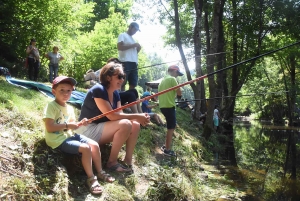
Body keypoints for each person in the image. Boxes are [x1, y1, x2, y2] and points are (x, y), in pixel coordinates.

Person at [43, 76, 115, 195]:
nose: (66, 93)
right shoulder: (51, 106)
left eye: (69, 90)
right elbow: (49, 127)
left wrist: (81, 123)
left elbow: (73, 125)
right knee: (86, 148)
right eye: (62, 90)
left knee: (94, 145)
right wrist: (68, 125)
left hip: (70, 136)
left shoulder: (69, 107)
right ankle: (91, 179)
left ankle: (100, 172)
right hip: (58, 140)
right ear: (54, 91)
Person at [76, 62, 150, 173]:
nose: (122, 79)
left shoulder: (116, 93)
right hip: (86, 130)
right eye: (119, 76)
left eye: (123, 77)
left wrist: (138, 119)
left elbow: (119, 115)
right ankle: (111, 163)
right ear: (108, 77)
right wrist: (137, 116)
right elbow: (111, 116)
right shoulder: (98, 90)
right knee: (126, 124)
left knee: (134, 124)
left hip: (100, 128)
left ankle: (128, 161)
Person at [158, 65, 183, 157]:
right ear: (174, 71)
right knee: (171, 127)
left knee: (170, 126)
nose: (177, 76)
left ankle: (166, 146)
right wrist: (179, 97)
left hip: (163, 106)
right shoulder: (172, 79)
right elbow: (179, 92)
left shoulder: (162, 81)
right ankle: (167, 150)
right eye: (177, 74)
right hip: (169, 106)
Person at [117, 22, 141, 91]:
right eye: (134, 30)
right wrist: (133, 45)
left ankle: (130, 98)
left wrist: (138, 49)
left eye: (136, 31)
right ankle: (121, 97)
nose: (135, 32)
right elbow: (119, 47)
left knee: (133, 82)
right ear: (130, 27)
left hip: (134, 63)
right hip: (125, 61)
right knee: (123, 81)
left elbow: (134, 52)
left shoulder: (133, 39)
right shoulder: (123, 35)